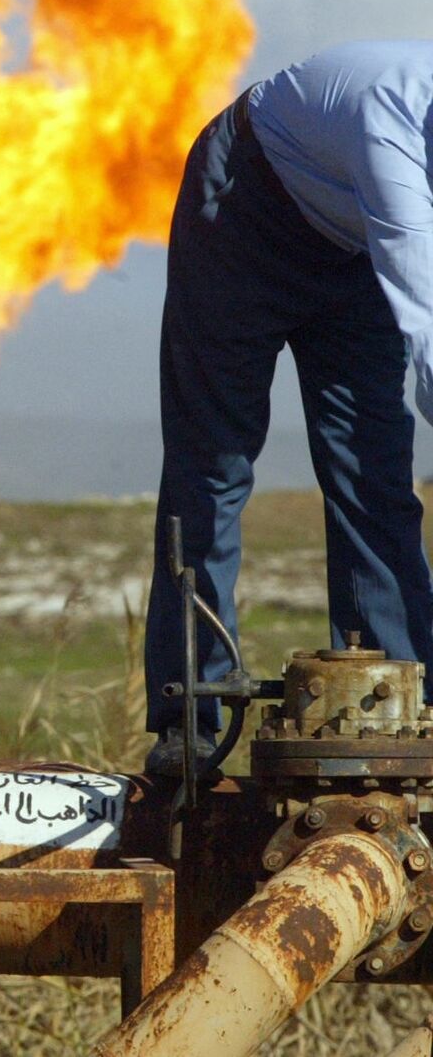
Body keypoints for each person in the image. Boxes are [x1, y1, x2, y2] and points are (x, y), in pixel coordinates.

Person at [144, 41, 433, 776]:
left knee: (375, 476)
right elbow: (425, 318)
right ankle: (191, 719)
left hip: (353, 248)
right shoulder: (389, 123)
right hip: (243, 211)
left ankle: (399, 714)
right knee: (214, 466)